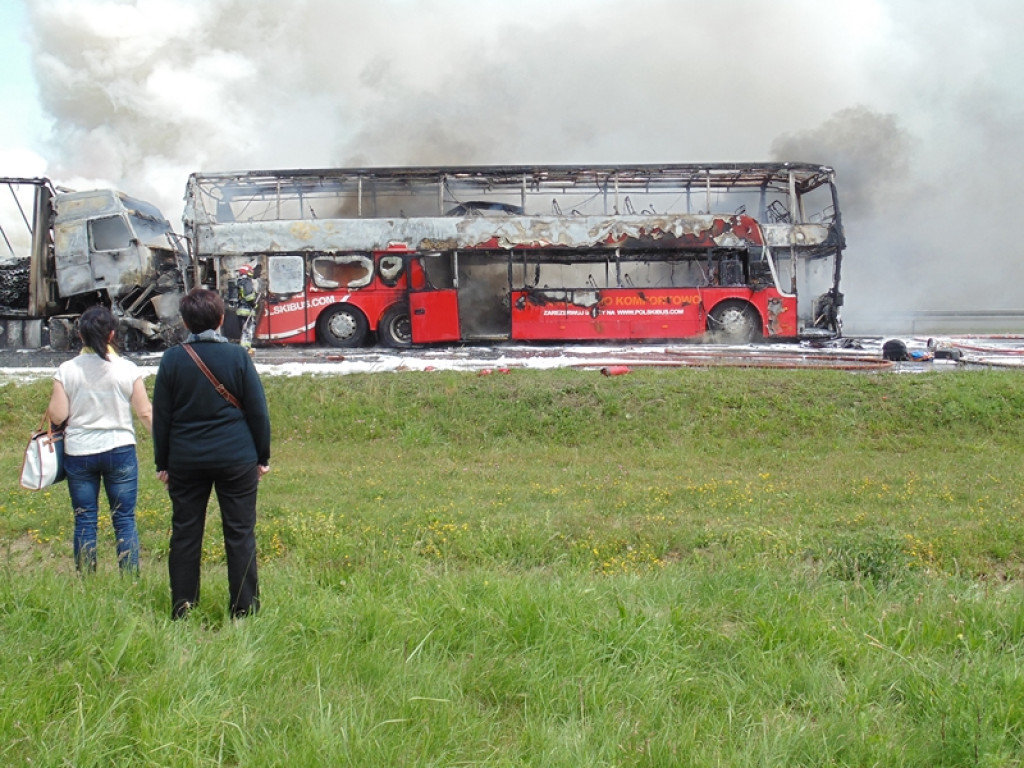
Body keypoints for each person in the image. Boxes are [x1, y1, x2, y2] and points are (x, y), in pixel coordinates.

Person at [153, 288, 271, 619]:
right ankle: (244, 610)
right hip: (236, 458)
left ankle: (183, 607)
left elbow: (162, 417)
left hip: (186, 460)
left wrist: (163, 463)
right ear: (221, 320)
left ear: (186, 322)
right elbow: (258, 412)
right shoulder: (238, 357)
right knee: (240, 533)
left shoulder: (173, 359)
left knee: (186, 533)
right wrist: (262, 457)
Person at [45, 305, 153, 574]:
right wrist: (167, 446)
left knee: (85, 518)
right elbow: (145, 412)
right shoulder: (127, 368)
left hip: (80, 453)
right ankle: (130, 579)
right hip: (120, 450)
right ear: (112, 334)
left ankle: (87, 581)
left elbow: (58, 415)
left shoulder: (67, 369)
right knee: (125, 519)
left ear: (80, 335)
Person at [235, 264, 258, 348]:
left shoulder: (239, 281)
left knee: (243, 330)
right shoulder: (247, 281)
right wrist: (253, 303)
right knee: (248, 330)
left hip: (240, 309)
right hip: (247, 310)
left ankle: (244, 347)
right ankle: (246, 348)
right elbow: (249, 296)